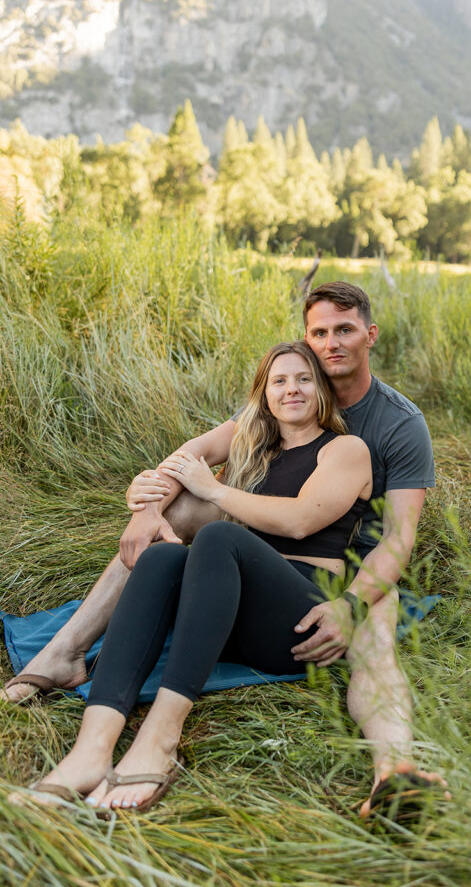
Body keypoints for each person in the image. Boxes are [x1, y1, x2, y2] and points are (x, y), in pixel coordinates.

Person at [4, 282, 441, 813]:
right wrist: (147, 508)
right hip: (248, 563)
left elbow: (395, 536)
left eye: (344, 331)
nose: (331, 345)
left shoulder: (391, 425)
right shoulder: (278, 406)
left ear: (369, 336)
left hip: (349, 564)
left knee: (359, 618)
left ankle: (394, 768)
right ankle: (83, 720)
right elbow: (198, 452)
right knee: (174, 541)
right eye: (319, 333)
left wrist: (351, 603)